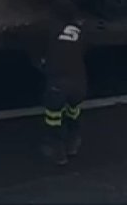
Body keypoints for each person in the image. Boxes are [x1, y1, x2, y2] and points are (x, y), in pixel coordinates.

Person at [40, 14, 89, 165]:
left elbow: (42, 53)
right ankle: (73, 143)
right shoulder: (79, 32)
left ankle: (57, 151)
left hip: (58, 84)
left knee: (53, 117)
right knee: (74, 110)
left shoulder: (51, 29)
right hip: (79, 83)